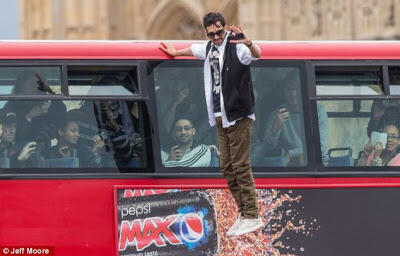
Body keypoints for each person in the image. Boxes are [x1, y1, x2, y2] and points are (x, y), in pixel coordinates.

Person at [160, 12, 263, 235]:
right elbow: (193, 49)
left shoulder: (238, 47)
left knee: (241, 165)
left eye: (219, 32)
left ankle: (252, 215)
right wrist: (175, 53)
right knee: (227, 167)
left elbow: (256, 55)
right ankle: (244, 213)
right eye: (211, 34)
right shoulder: (208, 48)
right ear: (207, 33)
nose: (216, 37)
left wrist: (250, 42)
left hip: (239, 115)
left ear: (224, 28)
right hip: (220, 116)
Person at [264, 80, 305, 166]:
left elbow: (319, 148)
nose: (293, 94)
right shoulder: (277, 114)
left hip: (313, 165)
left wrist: (291, 153)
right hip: (289, 165)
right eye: (289, 89)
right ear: (284, 92)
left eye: (296, 89)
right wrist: (276, 126)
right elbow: (268, 147)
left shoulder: (317, 110)